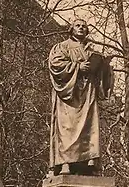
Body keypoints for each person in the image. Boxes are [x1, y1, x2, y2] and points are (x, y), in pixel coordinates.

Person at [48, 18, 113, 176]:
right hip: (70, 95)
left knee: (89, 128)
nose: (81, 28)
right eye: (78, 25)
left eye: (84, 26)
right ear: (71, 29)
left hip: (88, 94)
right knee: (67, 128)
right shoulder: (61, 47)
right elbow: (55, 65)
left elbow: (103, 77)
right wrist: (78, 67)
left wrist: (104, 66)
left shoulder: (91, 51)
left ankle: (89, 164)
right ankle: (65, 163)